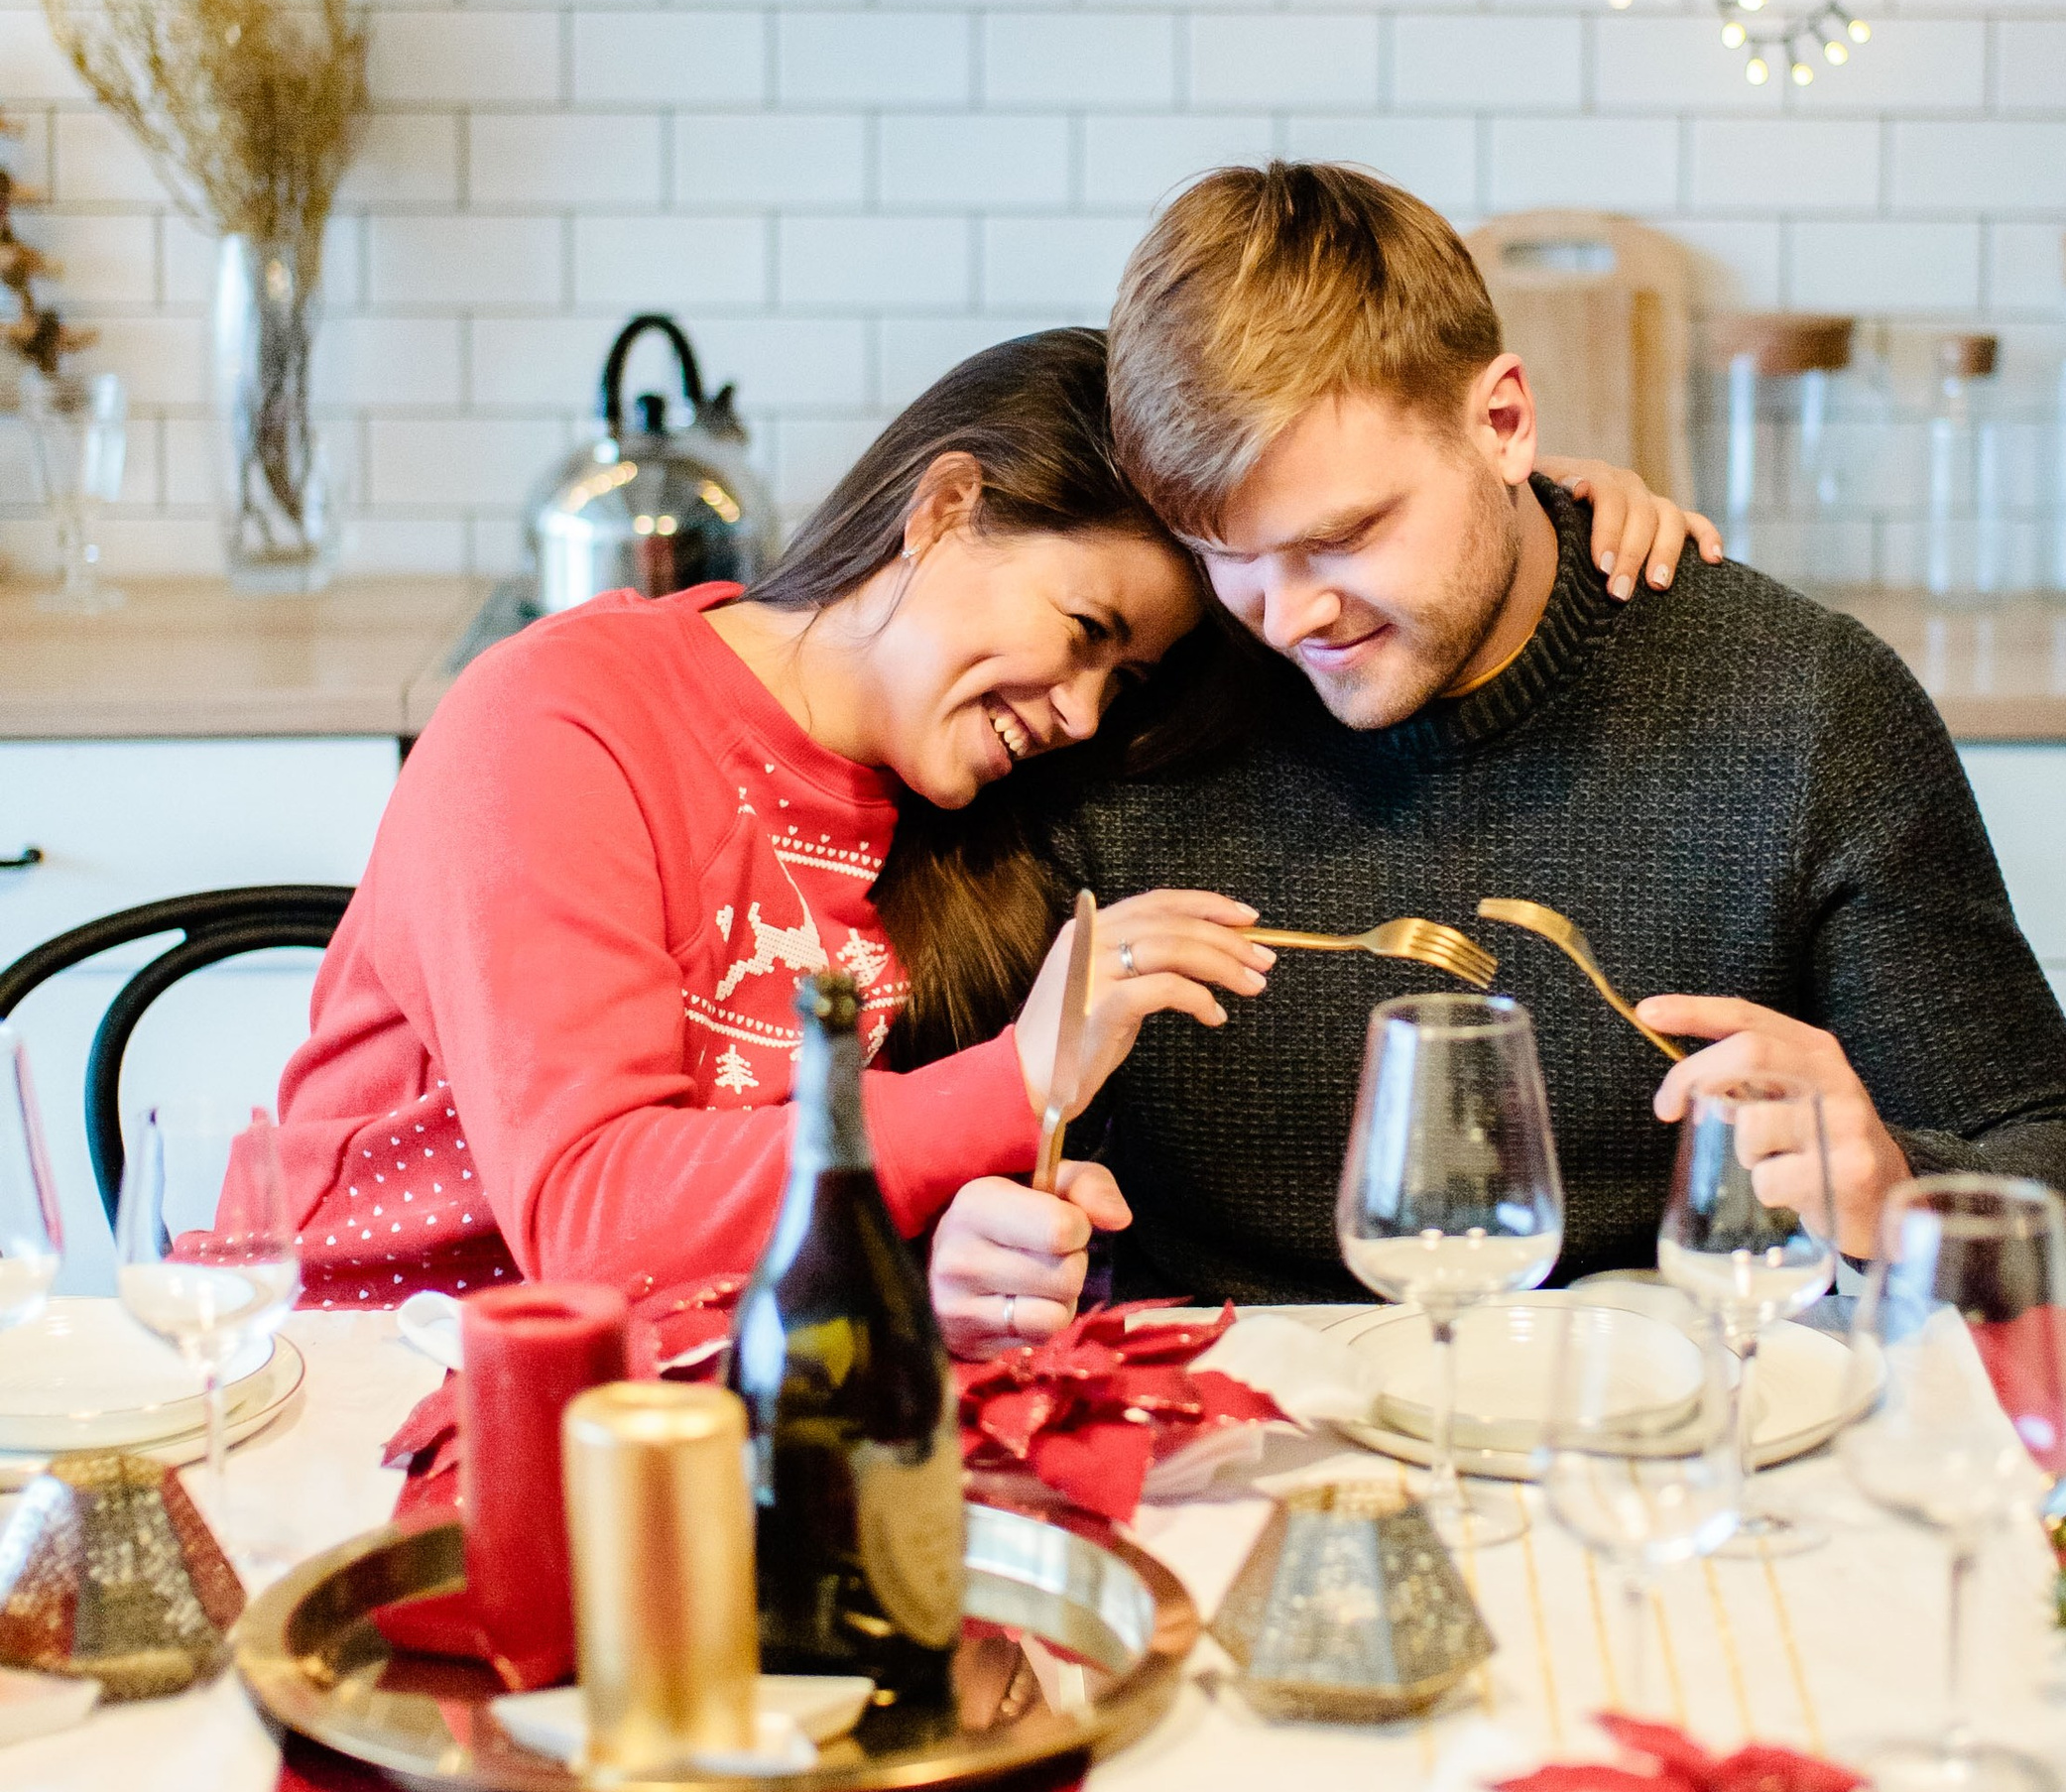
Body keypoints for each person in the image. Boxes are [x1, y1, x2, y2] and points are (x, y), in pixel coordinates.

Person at [271, 325, 1700, 1362]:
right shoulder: (566, 718)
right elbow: (588, 1216)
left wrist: (1525, 507)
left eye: (1123, 680)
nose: (1081, 713)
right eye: (1084, 634)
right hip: (353, 1389)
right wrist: (1013, 1082)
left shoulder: (952, 806)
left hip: (701, 1412)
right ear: (948, 505)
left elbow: (1316, 546)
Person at [1019, 161, 2066, 1313]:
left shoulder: (1799, 708)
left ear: (1502, 424)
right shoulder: (1116, 714)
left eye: (1342, 536)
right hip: (1220, 1441)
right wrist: (979, 1233)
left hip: (1662, 1440)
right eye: (1226, 553)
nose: (1287, 617)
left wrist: (1895, 1189)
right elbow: (969, 1158)